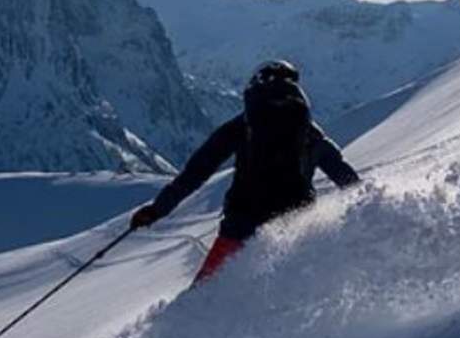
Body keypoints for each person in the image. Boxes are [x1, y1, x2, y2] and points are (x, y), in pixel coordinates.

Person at [130, 60, 360, 282]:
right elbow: (344, 175)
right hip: (295, 225)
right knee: (289, 291)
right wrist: (367, 208)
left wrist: (157, 210)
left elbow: (195, 172)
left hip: (241, 225)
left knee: (204, 296)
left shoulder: (242, 126)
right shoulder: (309, 132)